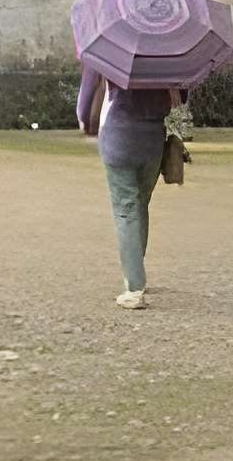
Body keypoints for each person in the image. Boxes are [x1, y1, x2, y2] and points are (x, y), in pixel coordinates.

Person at [77, 68, 183, 309]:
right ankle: (137, 274)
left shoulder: (113, 45)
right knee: (140, 204)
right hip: (153, 140)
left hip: (119, 136)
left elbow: (87, 91)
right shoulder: (165, 50)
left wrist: (84, 117)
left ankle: (134, 288)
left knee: (126, 209)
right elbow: (182, 95)